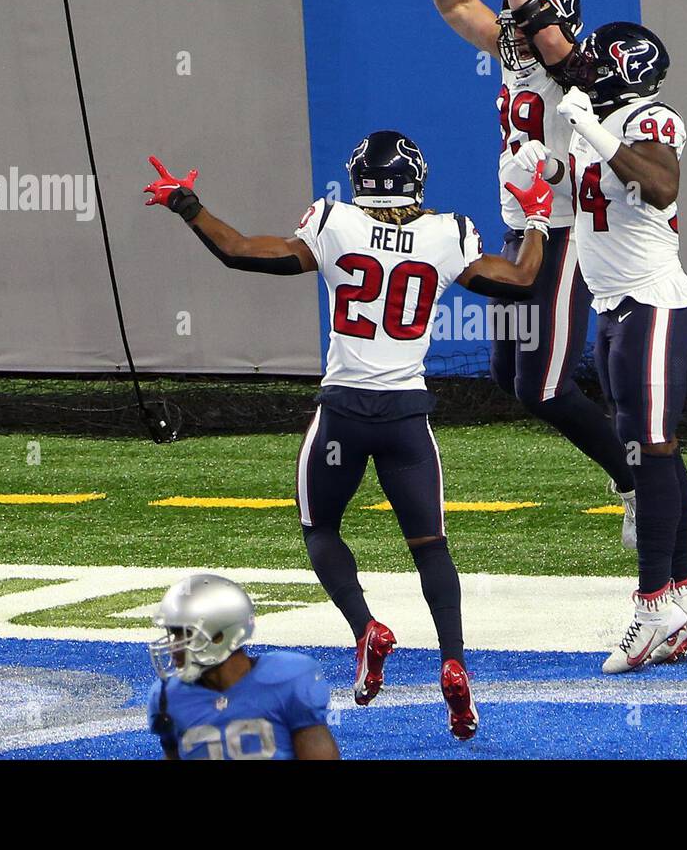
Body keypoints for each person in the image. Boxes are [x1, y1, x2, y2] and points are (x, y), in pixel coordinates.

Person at [143, 132, 553, 739]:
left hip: (344, 413)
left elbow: (241, 252)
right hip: (407, 417)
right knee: (431, 545)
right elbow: (521, 279)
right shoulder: (447, 233)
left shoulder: (334, 223)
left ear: (359, 179)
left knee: (320, 527)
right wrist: (537, 216)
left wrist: (188, 205)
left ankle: (366, 627)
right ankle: (454, 660)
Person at [421, 0, 639, 546]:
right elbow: (459, 9)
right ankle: (628, 461)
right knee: (507, 374)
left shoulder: (582, 66)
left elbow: (550, 41)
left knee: (544, 386)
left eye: (524, 22)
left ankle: (634, 478)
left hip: (568, 232)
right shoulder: (519, 55)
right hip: (525, 230)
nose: (510, 33)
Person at [551, 25, 687, 673]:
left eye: (597, 60)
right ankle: (686, 590)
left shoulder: (653, 118)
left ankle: (652, 605)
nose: (584, 67)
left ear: (625, 69)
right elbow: (544, 42)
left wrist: (591, 131)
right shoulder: (596, 106)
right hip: (618, 305)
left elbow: (661, 185)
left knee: (646, 451)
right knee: (656, 448)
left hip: (651, 302)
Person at [147, 573, 339, 760]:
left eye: (184, 634)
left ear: (220, 635)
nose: (174, 646)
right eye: (174, 634)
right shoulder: (168, 696)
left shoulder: (287, 681)